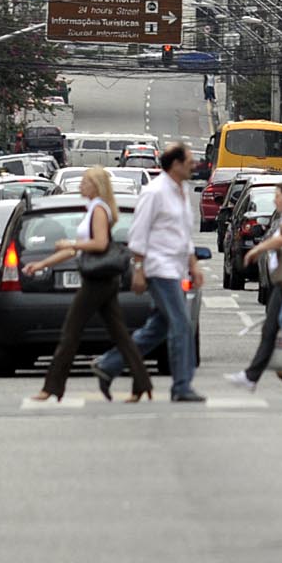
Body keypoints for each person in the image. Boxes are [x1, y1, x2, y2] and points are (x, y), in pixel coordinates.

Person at [23, 168, 152, 402]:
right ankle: (142, 384)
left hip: (98, 282)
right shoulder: (94, 208)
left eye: (85, 182)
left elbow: (100, 244)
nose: (81, 185)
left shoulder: (99, 209)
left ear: (96, 186)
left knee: (70, 333)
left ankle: (52, 387)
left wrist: (70, 243)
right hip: (102, 280)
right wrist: (41, 263)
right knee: (120, 335)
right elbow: (75, 250)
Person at [93, 143, 204, 402]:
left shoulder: (182, 191)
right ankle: (182, 386)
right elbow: (137, 234)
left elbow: (183, 233)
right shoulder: (154, 192)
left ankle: (109, 364)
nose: (194, 164)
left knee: (158, 328)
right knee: (181, 325)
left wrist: (193, 264)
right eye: (189, 160)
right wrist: (139, 270)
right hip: (158, 267)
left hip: (175, 268)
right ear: (175, 164)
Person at [224, 180, 282, 391]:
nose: (275, 201)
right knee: (273, 328)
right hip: (281, 281)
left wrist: (258, 250)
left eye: (278, 196)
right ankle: (252, 376)